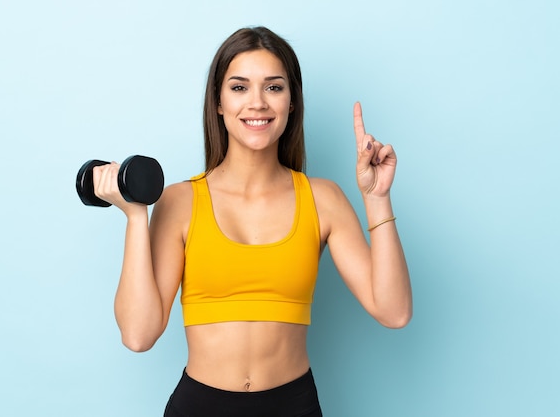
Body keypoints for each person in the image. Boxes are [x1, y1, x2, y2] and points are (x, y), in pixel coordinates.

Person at [92, 26, 412, 417]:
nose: (257, 103)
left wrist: (377, 199)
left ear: (292, 102)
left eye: (274, 87)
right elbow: (138, 335)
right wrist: (135, 217)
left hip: (293, 406)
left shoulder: (323, 199)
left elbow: (393, 311)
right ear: (218, 103)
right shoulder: (180, 200)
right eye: (239, 87)